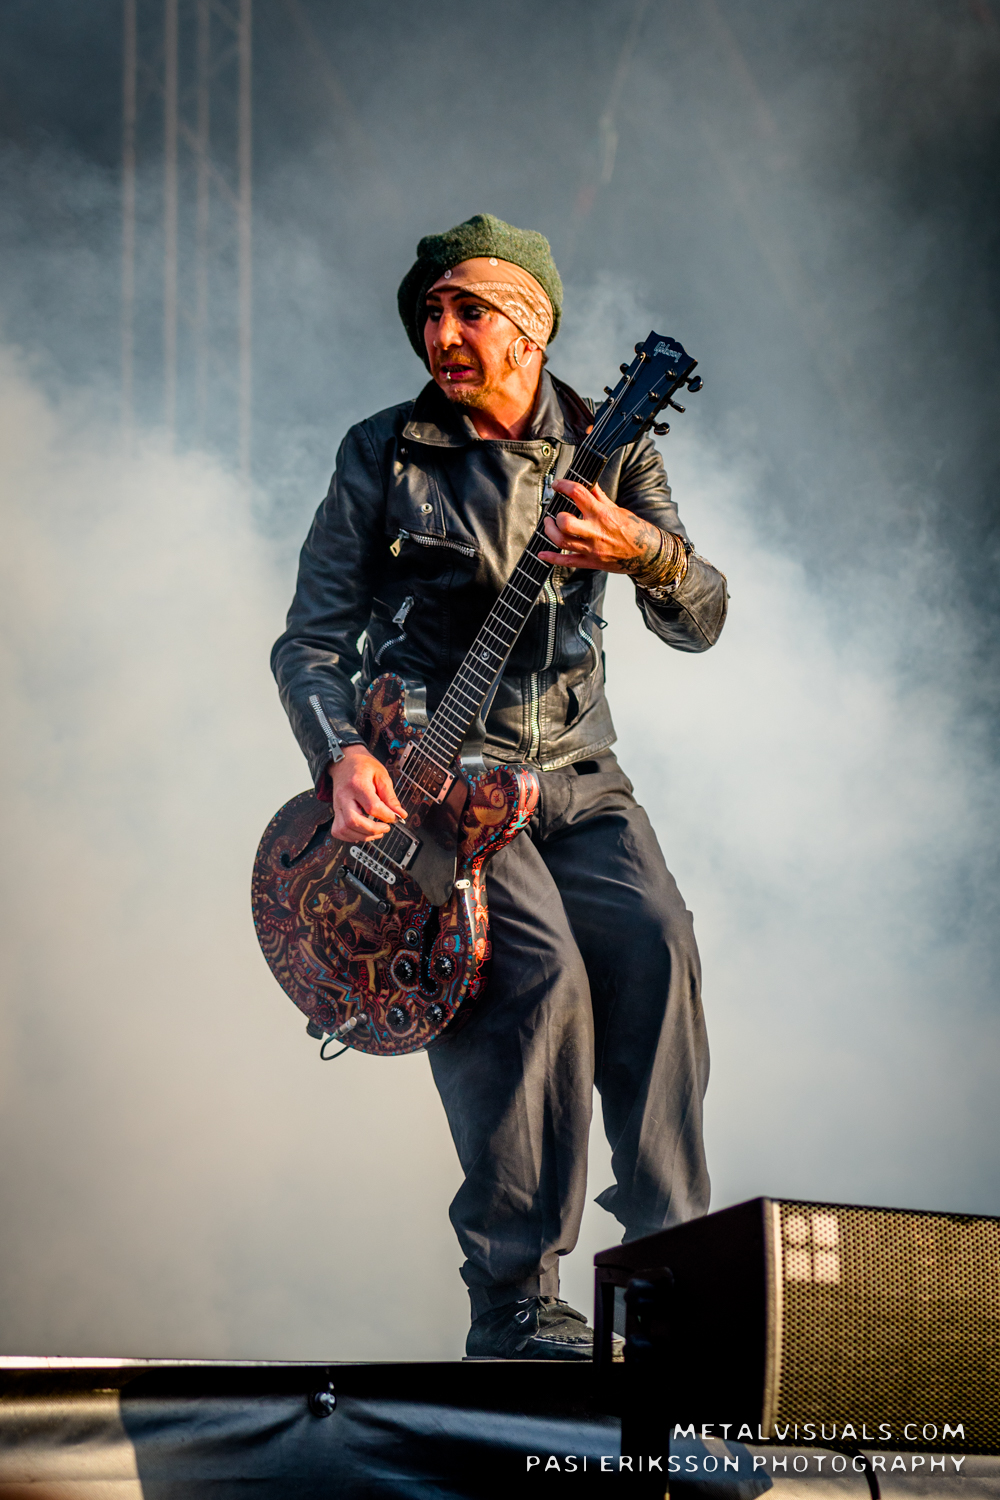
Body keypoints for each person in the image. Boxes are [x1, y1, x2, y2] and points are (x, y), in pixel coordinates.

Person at [272, 214, 728, 1359]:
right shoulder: (384, 453)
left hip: (578, 768)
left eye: (466, 310)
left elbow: (702, 616)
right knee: (534, 979)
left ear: (530, 326)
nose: (440, 333)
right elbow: (310, 643)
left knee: (659, 949)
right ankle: (516, 1301)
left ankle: (672, 1269)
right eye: (428, 312)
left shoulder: (612, 449)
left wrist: (643, 553)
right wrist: (341, 756)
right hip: (445, 781)